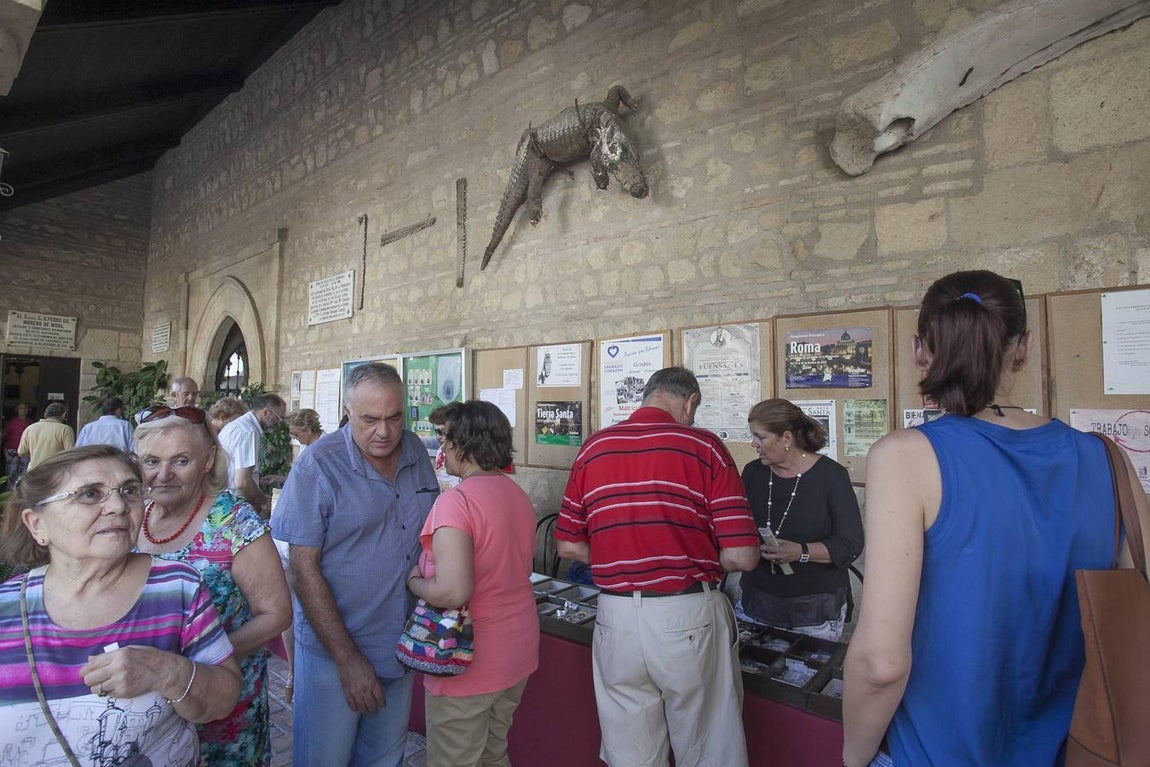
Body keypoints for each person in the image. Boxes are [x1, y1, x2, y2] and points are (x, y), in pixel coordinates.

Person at [842, 270, 1150, 767]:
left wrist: (853, 757)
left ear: (920, 350)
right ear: (1023, 348)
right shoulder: (1107, 459)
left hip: (937, 752)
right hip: (1077, 748)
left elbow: (882, 663)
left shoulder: (905, 457)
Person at [555, 366, 761, 767]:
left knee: (631, 754)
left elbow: (569, 545)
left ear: (648, 395)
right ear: (690, 402)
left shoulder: (594, 447)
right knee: (708, 750)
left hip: (615, 617)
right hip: (687, 614)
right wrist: (691, 555)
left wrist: (623, 557)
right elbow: (742, 556)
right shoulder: (704, 447)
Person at [0, 445, 242, 765]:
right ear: (37, 524)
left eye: (129, 491)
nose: (118, 506)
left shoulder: (176, 588)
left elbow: (223, 699)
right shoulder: (5, 610)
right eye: (89, 494)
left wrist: (167, 672)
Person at [272, 362, 439, 767]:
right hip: (334, 651)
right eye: (369, 419)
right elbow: (302, 570)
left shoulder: (415, 451)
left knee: (385, 758)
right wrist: (347, 660)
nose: (384, 431)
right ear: (347, 412)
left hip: (399, 644)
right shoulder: (317, 466)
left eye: (394, 418)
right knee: (324, 759)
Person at [135, 406, 292, 766]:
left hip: (223, 712)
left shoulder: (233, 520)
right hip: (147, 712)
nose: (163, 474)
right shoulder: (133, 516)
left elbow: (277, 614)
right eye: (152, 461)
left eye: (180, 461)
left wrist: (197, 663)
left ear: (207, 460)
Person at [407, 401, 539, 767]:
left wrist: (414, 582)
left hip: (466, 657)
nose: (443, 447)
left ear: (463, 444)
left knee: (454, 758)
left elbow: (452, 591)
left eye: (446, 438)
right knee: (493, 753)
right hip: (516, 649)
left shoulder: (457, 502)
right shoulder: (516, 495)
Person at [738, 398, 863, 641]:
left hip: (815, 609)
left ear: (786, 438)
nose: (753, 443)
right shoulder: (753, 472)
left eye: (760, 437)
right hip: (757, 603)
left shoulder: (831, 476)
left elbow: (850, 544)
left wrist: (801, 552)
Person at [217, 393, 286, 516]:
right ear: (265, 412)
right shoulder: (248, 431)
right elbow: (242, 482)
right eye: (278, 418)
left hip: (221, 500)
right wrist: (264, 501)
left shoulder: (236, 425)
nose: (279, 423)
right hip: (233, 505)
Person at [18, 402, 75, 471]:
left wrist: (36, 455)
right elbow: (70, 453)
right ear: (64, 415)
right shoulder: (65, 429)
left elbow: (21, 452)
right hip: (55, 471)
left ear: (45, 414)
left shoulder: (30, 428)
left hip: (34, 470)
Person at [428, 403, 462, 493]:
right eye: (436, 432)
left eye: (442, 432)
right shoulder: (440, 450)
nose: (438, 436)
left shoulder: (460, 452)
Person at [2, 402, 30, 484]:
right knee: (12, 470)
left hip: (25, 450)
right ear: (17, 410)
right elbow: (4, 435)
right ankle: (10, 489)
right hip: (12, 449)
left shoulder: (30, 422)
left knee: (24, 471)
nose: (23, 410)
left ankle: (20, 489)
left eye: (25, 408)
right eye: (21, 408)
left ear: (28, 410)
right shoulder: (11, 423)